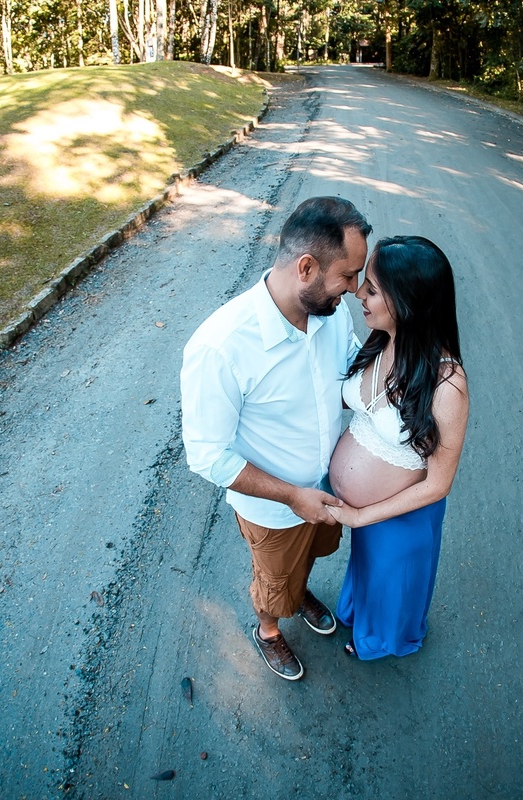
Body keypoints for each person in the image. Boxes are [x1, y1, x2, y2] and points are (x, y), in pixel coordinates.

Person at [180, 196, 372, 681]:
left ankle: (299, 588)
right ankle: (268, 630)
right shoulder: (220, 346)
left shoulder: (329, 316)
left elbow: (349, 377)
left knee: (307, 559)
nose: (353, 290)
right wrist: (291, 496)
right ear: (306, 267)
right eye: (348, 276)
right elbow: (207, 457)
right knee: (273, 582)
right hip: (275, 508)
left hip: (326, 491)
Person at [326, 235, 469, 660]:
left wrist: (360, 514)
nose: (358, 294)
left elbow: (438, 484)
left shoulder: (447, 385)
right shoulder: (379, 343)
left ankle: (383, 642)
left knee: (392, 585)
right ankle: (359, 616)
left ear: (409, 301)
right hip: (364, 514)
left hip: (398, 517)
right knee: (368, 572)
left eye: (371, 288)